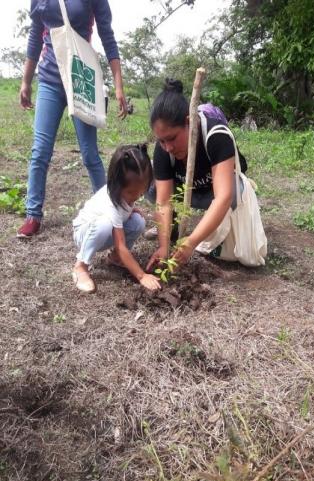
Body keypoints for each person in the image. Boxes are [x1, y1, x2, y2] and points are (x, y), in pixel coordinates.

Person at [17, 0, 127, 239]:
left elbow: (107, 36)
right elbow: (36, 35)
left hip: (81, 79)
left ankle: (108, 210)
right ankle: (33, 214)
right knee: (40, 150)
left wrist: (119, 85)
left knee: (90, 153)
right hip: (49, 79)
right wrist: (26, 81)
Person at [146, 78, 255, 271]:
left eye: (172, 138)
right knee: (151, 186)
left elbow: (222, 197)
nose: (168, 147)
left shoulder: (216, 135)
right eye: (161, 141)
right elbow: (163, 202)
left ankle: (217, 232)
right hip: (187, 190)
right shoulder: (164, 147)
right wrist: (163, 248)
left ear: (189, 122)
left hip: (212, 194)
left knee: (234, 191)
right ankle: (170, 232)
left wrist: (191, 242)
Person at [72, 144, 161, 293]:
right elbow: (121, 245)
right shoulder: (110, 203)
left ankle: (115, 259)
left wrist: (132, 209)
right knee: (105, 224)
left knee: (138, 221)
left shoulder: (128, 188)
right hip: (85, 233)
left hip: (104, 233)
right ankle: (81, 266)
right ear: (116, 185)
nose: (136, 196)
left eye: (141, 192)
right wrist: (141, 276)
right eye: (132, 193)